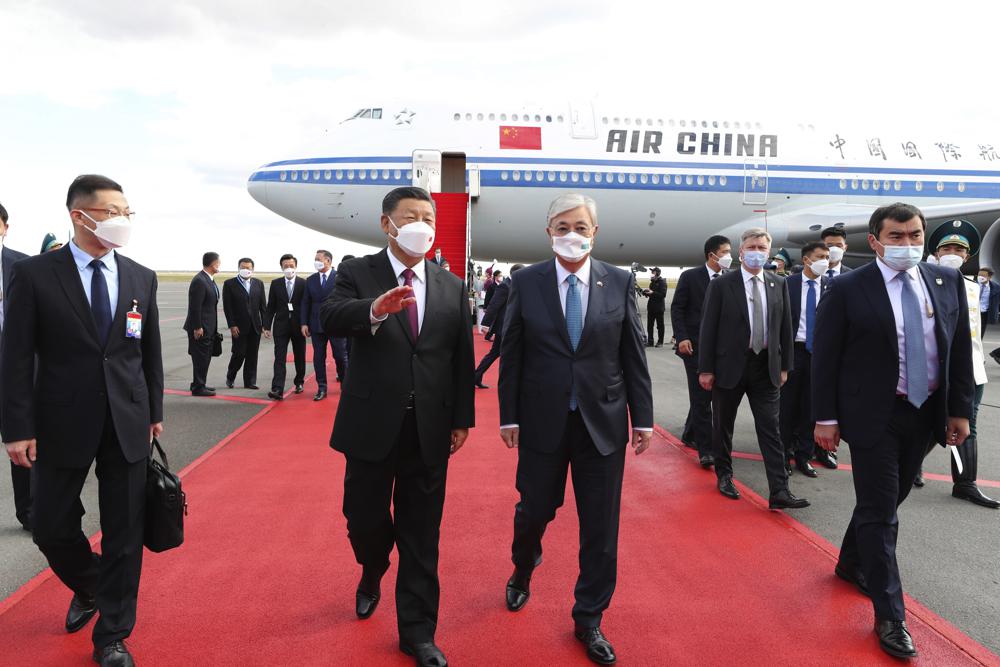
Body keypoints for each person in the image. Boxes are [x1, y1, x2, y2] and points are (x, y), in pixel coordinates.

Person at [2, 174, 163, 667]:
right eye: (113, 210)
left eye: (127, 211)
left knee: (125, 532)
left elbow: (148, 351)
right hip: (59, 421)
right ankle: (92, 583)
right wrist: (16, 429)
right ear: (80, 215)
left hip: (127, 421)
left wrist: (154, 412)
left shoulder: (141, 276)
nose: (123, 219)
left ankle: (113, 636)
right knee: (49, 526)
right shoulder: (34, 275)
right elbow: (15, 356)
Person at [321, 186, 474, 667]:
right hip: (371, 423)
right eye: (411, 216)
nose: (422, 224)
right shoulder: (356, 271)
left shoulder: (450, 284)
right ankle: (372, 567)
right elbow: (328, 316)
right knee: (364, 520)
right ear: (387, 224)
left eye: (427, 216)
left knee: (422, 533)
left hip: (429, 427)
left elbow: (458, 357)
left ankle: (418, 633)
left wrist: (461, 418)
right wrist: (373, 309)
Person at [813, 203, 974, 659]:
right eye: (897, 237)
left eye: (915, 235)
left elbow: (957, 348)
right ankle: (890, 615)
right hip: (873, 416)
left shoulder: (945, 282)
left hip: (926, 414)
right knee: (883, 514)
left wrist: (959, 410)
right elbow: (826, 358)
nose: (908, 245)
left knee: (887, 499)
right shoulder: (847, 288)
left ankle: (849, 561)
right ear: (876, 240)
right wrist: (824, 417)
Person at [498, 193, 653, 666]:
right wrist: (509, 414)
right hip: (543, 422)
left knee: (600, 529)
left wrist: (642, 418)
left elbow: (633, 355)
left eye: (581, 226)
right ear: (548, 231)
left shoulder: (620, 281)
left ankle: (589, 618)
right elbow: (513, 352)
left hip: (602, 424)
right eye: (562, 226)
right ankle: (524, 567)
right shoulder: (526, 281)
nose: (572, 234)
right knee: (534, 512)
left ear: (595, 232)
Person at [698, 227, 808, 510]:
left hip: (765, 367)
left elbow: (785, 328)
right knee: (723, 425)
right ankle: (724, 475)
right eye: (752, 247)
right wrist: (706, 368)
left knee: (770, 428)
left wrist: (785, 366)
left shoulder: (777, 283)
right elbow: (708, 329)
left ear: (768, 252)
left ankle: (779, 491)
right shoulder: (722, 285)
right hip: (730, 366)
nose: (756, 252)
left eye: (762, 247)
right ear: (741, 251)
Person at [920, 223, 998, 508]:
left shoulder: (974, 287)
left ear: (967, 256)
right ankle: (913, 464)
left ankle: (965, 483)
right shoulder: (925, 282)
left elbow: (977, 328)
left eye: (959, 249)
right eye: (947, 248)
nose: (953, 253)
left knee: (968, 423)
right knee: (932, 422)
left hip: (972, 367)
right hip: (938, 366)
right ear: (936, 253)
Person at [671, 235, 731, 468]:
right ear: (711, 255)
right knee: (701, 397)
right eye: (725, 252)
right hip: (694, 346)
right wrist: (682, 336)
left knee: (709, 396)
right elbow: (677, 308)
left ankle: (689, 433)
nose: (729, 256)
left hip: (721, 349)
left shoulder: (729, 279)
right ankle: (706, 451)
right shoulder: (690, 277)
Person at [779, 242, 832, 477]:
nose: (826, 261)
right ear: (807, 260)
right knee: (786, 408)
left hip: (819, 355)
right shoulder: (786, 284)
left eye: (827, 257)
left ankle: (804, 456)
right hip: (793, 352)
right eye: (821, 256)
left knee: (811, 408)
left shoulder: (832, 286)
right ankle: (781, 456)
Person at [1, 202, 31, 531]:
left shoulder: (23, 266)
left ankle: (29, 511)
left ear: (5, 228)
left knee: (22, 444)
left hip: (15, 373)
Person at [301, 249, 348, 401]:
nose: (316, 261)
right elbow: (305, 302)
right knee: (318, 357)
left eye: (319, 259)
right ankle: (322, 388)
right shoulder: (311, 280)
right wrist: (304, 323)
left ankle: (345, 384)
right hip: (316, 324)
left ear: (328, 261)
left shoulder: (339, 278)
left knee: (340, 356)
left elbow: (345, 300)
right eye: (315, 259)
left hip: (336, 323)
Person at [263, 254, 306, 401]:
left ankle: (299, 381)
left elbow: (307, 306)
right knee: (279, 358)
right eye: (286, 266)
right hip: (281, 326)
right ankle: (277, 388)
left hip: (299, 326)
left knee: (299, 356)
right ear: (281, 267)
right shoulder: (276, 284)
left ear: (296, 266)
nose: (289, 268)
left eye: (291, 265)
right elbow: (271, 307)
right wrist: (266, 326)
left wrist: (307, 324)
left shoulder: (303, 283)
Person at [473, 264, 522, 389]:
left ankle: (476, 376)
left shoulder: (514, 285)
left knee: (495, 353)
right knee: (500, 354)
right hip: (504, 328)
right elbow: (494, 305)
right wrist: (485, 324)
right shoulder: (505, 286)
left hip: (509, 328)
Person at [222, 257, 267, 390]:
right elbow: (227, 307)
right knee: (239, 353)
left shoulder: (258, 283)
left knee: (252, 355)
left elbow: (263, 307)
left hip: (255, 326)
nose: (245, 270)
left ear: (252, 269)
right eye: (243, 267)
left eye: (248, 268)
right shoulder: (229, 284)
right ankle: (231, 376)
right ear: (238, 268)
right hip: (238, 326)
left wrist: (265, 325)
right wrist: (232, 325)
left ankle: (250, 381)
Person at [183, 252, 221, 397]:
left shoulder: (208, 280)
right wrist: (197, 326)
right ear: (213, 264)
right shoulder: (200, 280)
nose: (219, 265)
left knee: (204, 357)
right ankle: (199, 387)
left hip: (208, 327)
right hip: (200, 328)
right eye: (218, 263)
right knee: (200, 357)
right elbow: (195, 307)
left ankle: (199, 383)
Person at [643, 267, 667, 347]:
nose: (652, 274)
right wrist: (646, 292)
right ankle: (650, 341)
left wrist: (652, 292)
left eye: (653, 272)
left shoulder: (662, 282)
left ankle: (660, 342)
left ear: (657, 273)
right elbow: (651, 294)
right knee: (650, 325)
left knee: (660, 326)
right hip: (651, 307)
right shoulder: (652, 282)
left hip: (659, 308)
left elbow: (662, 295)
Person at [978, 267, 1000, 335]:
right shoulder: (973, 284)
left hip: (984, 313)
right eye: (979, 275)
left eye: (983, 275)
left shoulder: (996, 287)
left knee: (980, 332)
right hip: (973, 312)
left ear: (989, 277)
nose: (980, 277)